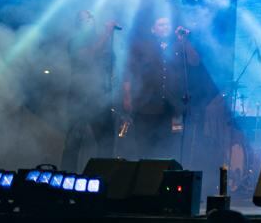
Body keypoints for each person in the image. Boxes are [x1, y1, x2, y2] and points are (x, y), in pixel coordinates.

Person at [123, 16, 203, 161]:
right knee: (144, 147)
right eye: (161, 24)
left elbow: (195, 62)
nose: (165, 27)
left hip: (171, 106)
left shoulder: (179, 45)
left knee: (169, 148)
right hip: (146, 106)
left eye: (167, 24)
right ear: (153, 29)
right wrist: (127, 96)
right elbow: (129, 71)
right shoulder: (142, 46)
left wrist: (185, 41)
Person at [59, 10, 119, 170]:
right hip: (80, 95)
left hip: (100, 95)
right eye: (84, 17)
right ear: (79, 22)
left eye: (91, 16)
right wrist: (107, 33)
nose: (90, 19)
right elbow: (87, 55)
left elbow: (111, 63)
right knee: (74, 140)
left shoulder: (99, 38)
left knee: (106, 139)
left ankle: (103, 178)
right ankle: (66, 179)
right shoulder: (75, 40)